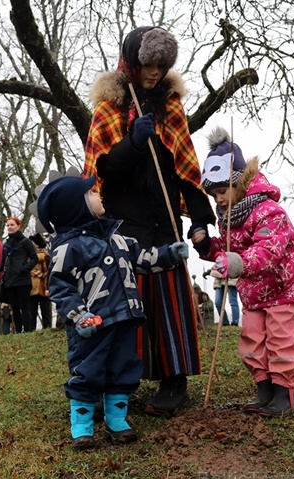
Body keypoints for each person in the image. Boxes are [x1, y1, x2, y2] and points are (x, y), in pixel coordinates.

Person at [82, 26, 215, 416]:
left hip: (164, 220)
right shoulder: (108, 109)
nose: (154, 73)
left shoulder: (170, 106)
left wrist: (201, 221)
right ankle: (125, 381)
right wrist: (133, 143)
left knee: (170, 303)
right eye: (148, 65)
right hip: (126, 225)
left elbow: (185, 168)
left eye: (161, 65)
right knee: (130, 305)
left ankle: (175, 383)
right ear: (131, 63)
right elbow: (101, 172)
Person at [35, 175, 190, 449]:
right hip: (90, 325)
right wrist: (79, 316)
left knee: (123, 369)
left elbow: (143, 259)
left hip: (123, 319)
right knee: (88, 371)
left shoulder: (119, 240)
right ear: (77, 206)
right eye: (91, 193)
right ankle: (81, 426)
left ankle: (116, 421)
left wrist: (170, 254)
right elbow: (60, 288)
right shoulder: (67, 247)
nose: (99, 194)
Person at [192, 127, 294, 418]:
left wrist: (237, 264)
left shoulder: (268, 211)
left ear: (240, 182)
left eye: (222, 191)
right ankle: (265, 389)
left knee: (280, 340)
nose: (218, 199)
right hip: (254, 292)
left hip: (285, 287)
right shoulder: (229, 218)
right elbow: (227, 248)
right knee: (252, 340)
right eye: (213, 194)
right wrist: (208, 246)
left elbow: (268, 250)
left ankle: (285, 393)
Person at [29, 233, 53, 330]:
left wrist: (48, 288)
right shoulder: (28, 257)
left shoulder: (46, 257)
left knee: (46, 310)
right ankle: (31, 329)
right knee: (31, 312)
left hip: (43, 287)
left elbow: (49, 272)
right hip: (31, 288)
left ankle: (47, 328)